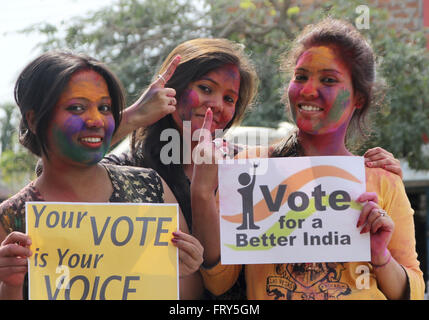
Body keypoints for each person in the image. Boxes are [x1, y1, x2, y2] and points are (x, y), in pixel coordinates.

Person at [191, 19, 425, 300]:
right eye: (300, 77)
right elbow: (218, 282)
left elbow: (413, 290)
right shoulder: (250, 169)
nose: (308, 90)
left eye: (328, 79)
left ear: (359, 97)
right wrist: (202, 192)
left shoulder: (380, 177)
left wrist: (380, 256)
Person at [0, 51, 203, 300]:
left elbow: (189, 297)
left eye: (104, 107)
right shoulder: (11, 219)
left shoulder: (150, 188)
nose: (96, 120)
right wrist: (10, 286)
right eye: (77, 107)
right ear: (33, 119)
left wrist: (183, 271)